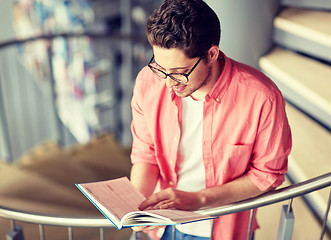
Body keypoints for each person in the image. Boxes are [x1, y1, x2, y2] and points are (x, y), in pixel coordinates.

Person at [129, 0, 292, 239]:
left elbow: (267, 175)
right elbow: (146, 154)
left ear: (211, 54)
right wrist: (137, 208)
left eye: (178, 73)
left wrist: (198, 199)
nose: (167, 83)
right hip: (162, 227)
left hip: (225, 230)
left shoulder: (262, 98)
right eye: (159, 68)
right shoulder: (148, 81)